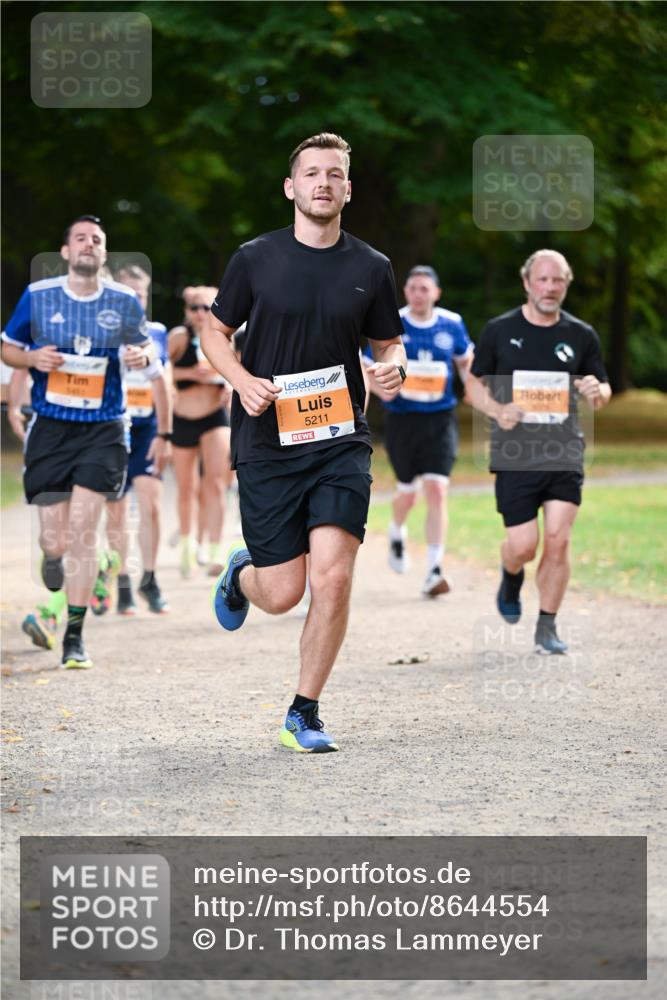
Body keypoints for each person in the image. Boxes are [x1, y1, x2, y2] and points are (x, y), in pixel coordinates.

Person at [202, 132, 407, 753]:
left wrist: (394, 366)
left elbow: (387, 343)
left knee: (334, 577)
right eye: (312, 173)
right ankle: (243, 576)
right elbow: (216, 332)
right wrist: (240, 381)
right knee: (283, 590)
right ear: (292, 187)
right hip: (268, 441)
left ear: (348, 188)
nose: (324, 182)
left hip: (341, 440)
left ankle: (304, 711)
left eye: (335, 174)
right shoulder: (255, 258)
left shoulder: (372, 267)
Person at [0, 215, 159, 668]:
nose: (89, 244)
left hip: (104, 429)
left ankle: (73, 637)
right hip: (51, 427)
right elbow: (7, 347)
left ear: (104, 253)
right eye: (81, 238)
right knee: (55, 539)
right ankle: (53, 558)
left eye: (98, 240)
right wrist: (32, 357)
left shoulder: (125, 301)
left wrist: (139, 354)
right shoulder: (38, 296)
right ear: (67, 252)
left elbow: (150, 359)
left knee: (84, 533)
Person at [465, 249, 611, 654]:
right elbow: (473, 386)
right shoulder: (499, 330)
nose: (550, 287)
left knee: (559, 539)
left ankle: (547, 626)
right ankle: (511, 574)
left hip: (564, 451)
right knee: (524, 545)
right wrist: (498, 409)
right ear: (527, 282)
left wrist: (598, 390)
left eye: (558, 280)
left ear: (567, 283)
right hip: (515, 455)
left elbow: (602, 385)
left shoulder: (581, 335)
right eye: (543, 280)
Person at [365, 265, 472, 596]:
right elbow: (369, 368)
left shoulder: (452, 324)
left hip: (440, 419)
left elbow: (466, 364)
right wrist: (385, 391)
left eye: (425, 288)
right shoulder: (393, 323)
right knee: (407, 492)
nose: (418, 293)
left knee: (437, 490)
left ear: (436, 293)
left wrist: (480, 394)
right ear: (406, 292)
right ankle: (397, 531)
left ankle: (434, 569)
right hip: (403, 420)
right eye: (413, 287)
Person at [105, 264, 173, 614]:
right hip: (114, 426)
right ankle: (121, 581)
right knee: (116, 512)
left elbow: (166, 385)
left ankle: (150, 578)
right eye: (127, 293)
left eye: (141, 294)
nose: (134, 299)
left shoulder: (157, 332)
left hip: (147, 428)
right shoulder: (102, 330)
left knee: (151, 504)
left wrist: (166, 433)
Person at [169, 285, 231, 578]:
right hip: (182, 418)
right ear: (186, 312)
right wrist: (191, 374)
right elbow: (159, 371)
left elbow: (239, 370)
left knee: (216, 484)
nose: (200, 313)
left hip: (215, 417)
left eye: (206, 307)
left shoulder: (225, 338)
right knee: (187, 488)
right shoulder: (179, 338)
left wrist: (228, 384)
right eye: (195, 308)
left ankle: (216, 550)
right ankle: (187, 545)